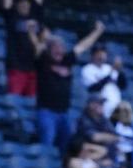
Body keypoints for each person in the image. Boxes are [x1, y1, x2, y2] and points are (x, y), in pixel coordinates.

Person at [29, 22, 106, 151]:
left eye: (61, 48)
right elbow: (37, 47)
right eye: (55, 48)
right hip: (46, 112)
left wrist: (98, 32)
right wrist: (31, 33)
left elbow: (83, 46)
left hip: (64, 113)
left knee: (68, 147)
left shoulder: (67, 60)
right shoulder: (43, 60)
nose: (59, 51)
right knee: (47, 143)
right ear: (49, 50)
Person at [0, 0, 53, 97]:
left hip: (34, 68)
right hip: (16, 68)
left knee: (33, 104)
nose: (24, 4)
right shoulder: (12, 15)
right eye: (21, 2)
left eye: (26, 2)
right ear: (17, 4)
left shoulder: (35, 14)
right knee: (15, 102)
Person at [80, 44, 125, 119]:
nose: (101, 56)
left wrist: (120, 70)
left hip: (115, 107)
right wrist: (111, 71)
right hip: (99, 109)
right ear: (93, 55)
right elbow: (93, 88)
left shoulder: (108, 68)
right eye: (98, 53)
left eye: (103, 53)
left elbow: (123, 86)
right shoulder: (88, 69)